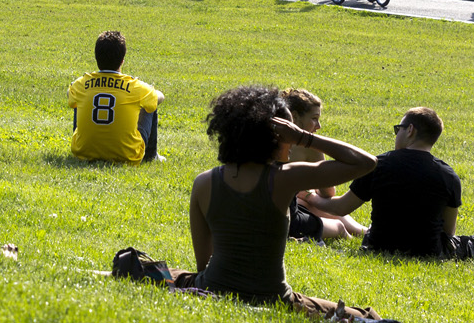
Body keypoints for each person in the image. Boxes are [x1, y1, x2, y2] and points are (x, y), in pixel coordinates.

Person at [179, 85, 381, 318]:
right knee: (365, 316)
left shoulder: (204, 182)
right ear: (275, 137)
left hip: (211, 286)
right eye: (288, 133)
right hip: (273, 297)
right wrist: (304, 137)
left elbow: (202, 265)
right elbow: (367, 163)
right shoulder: (283, 178)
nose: (292, 141)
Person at [305, 106, 473, 259]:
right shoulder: (449, 176)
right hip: (428, 251)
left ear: (410, 130)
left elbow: (341, 208)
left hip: (378, 246)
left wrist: (309, 196)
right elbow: (449, 232)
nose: (396, 134)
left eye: (398, 129)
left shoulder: (379, 164)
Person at [281, 88, 367, 242]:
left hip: (262, 210)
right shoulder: (308, 147)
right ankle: (358, 239)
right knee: (338, 226)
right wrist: (310, 194)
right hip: (286, 222)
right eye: (314, 118)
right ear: (294, 116)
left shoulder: (266, 138)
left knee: (306, 201)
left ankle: (364, 231)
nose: (318, 125)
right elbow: (328, 193)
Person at [67, 30, 164, 164]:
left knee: (77, 98)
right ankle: (151, 156)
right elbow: (160, 97)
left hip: (83, 153)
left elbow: (69, 93)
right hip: (126, 155)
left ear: (96, 57)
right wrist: (151, 90)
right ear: (122, 60)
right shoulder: (135, 87)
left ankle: (85, 145)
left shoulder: (81, 84)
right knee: (150, 102)